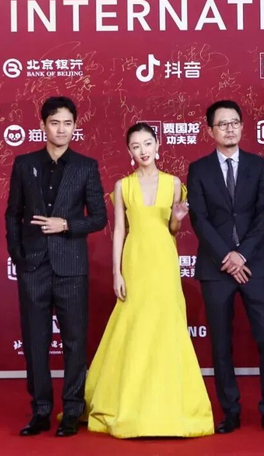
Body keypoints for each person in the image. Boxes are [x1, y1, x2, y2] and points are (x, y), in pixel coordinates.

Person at [82, 123, 214, 438]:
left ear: (158, 146)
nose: (143, 150)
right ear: (129, 151)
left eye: (147, 143)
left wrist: (177, 219)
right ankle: (129, 402)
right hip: (135, 262)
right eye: (136, 146)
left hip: (164, 262)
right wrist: (117, 272)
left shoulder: (173, 183)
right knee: (135, 327)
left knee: (166, 326)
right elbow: (119, 230)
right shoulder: (122, 186)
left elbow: (172, 230)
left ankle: (167, 405)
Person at [5, 96, 107, 437]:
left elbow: (99, 218)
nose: (61, 129)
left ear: (75, 126)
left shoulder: (86, 166)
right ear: (42, 126)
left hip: (71, 267)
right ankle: (40, 410)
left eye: (67, 123)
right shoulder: (24, 164)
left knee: (75, 341)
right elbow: (13, 214)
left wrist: (66, 225)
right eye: (54, 123)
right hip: (33, 266)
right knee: (35, 341)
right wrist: (19, 256)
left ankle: (72, 410)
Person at [187, 100, 264, 434]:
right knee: (220, 344)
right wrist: (226, 257)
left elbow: (263, 215)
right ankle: (230, 410)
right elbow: (199, 219)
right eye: (222, 124)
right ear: (210, 130)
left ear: (242, 126)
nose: (229, 128)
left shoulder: (259, 165)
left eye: (234, 122)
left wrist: (241, 255)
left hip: (254, 264)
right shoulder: (199, 169)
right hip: (216, 268)